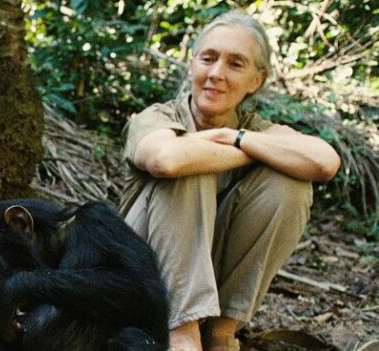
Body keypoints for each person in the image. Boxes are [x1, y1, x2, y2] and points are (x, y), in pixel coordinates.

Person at [119, 10, 341, 351]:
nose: (216, 74)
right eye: (208, 59)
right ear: (192, 65)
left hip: (210, 273)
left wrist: (236, 138)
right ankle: (182, 332)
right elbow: (166, 159)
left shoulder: (253, 128)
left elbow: (325, 162)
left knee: (291, 187)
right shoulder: (158, 117)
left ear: (256, 80)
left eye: (236, 64)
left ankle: (221, 332)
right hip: (135, 272)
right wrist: (253, 148)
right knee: (188, 167)